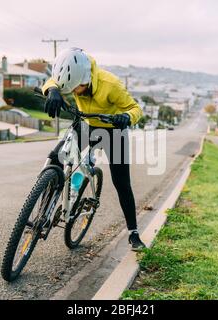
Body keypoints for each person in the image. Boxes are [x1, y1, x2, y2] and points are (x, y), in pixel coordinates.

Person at [41, 48, 146, 251]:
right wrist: (52, 90)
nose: (72, 92)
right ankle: (44, 209)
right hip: (86, 124)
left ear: (86, 80)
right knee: (56, 158)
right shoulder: (73, 74)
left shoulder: (111, 84)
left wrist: (127, 117)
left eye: (75, 89)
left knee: (122, 182)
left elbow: (135, 109)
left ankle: (133, 233)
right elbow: (53, 81)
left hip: (113, 130)